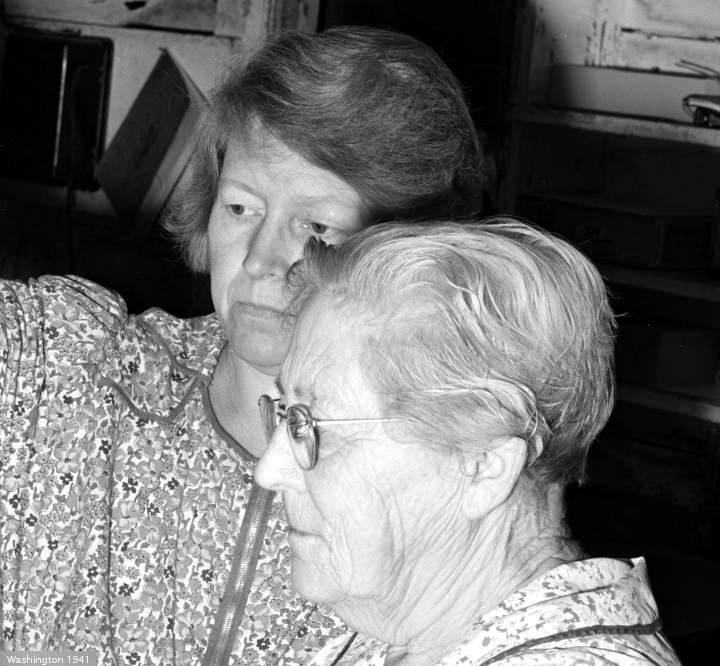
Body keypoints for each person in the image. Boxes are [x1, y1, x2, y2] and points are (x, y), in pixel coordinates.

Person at [0, 27, 486, 665]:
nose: (260, 260)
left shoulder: (445, 500)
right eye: (240, 209)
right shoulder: (63, 362)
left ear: (404, 261)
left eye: (316, 226)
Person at [254, 218, 682, 666]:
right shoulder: (397, 637)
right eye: (285, 413)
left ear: (482, 466)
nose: (269, 469)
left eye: (310, 424)